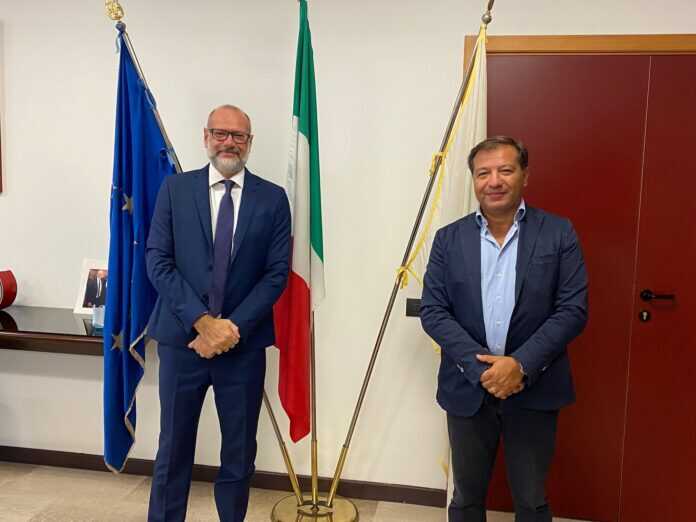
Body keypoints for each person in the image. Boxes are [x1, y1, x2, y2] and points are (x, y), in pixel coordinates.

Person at [420, 136, 588, 522]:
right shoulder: (448, 239)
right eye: (483, 173)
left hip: (534, 388)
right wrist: (481, 370)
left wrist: (519, 365)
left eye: (505, 170)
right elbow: (434, 310)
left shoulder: (558, 233)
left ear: (525, 175)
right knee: (466, 498)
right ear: (474, 180)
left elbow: (572, 310)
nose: (494, 181)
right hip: (467, 388)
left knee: (531, 500)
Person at [145, 104, 291, 522]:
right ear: (206, 137)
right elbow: (158, 261)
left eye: (238, 136)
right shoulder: (175, 190)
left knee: (239, 454)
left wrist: (230, 329)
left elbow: (276, 274)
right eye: (221, 133)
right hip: (182, 342)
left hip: (242, 347)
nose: (229, 142)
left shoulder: (273, 199)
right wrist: (203, 322)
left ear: (250, 142)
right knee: (173, 448)